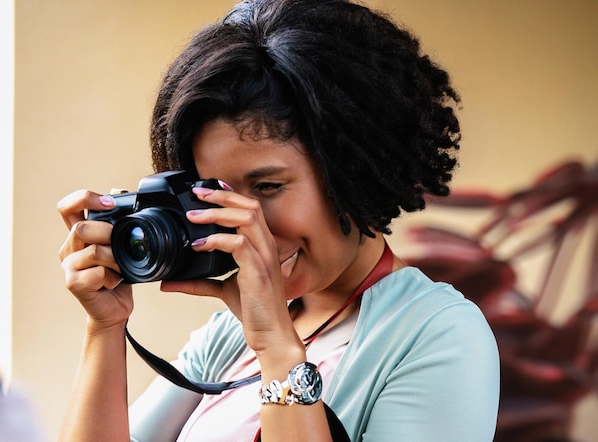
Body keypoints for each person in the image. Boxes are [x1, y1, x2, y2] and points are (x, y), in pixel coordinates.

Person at [57, 0, 500, 440]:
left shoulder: (437, 333)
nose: (241, 222)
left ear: (351, 172)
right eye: (214, 194)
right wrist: (106, 327)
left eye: (267, 188)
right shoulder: (230, 332)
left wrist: (276, 347)